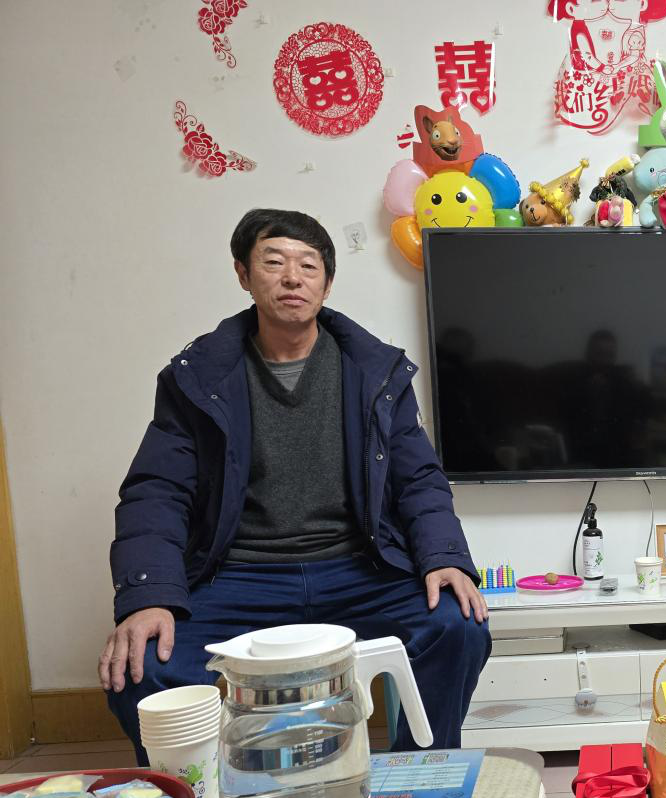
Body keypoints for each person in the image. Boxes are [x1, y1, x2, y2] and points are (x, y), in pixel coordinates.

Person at [101, 209, 490, 763]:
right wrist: (149, 596)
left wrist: (443, 558)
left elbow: (418, 478)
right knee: (141, 664)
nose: (292, 278)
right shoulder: (199, 377)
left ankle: (417, 771)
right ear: (243, 274)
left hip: (359, 568)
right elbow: (157, 490)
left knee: (458, 625)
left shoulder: (374, 372)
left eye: (309, 266)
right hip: (239, 574)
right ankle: (199, 797)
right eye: (273, 262)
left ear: (327, 284)